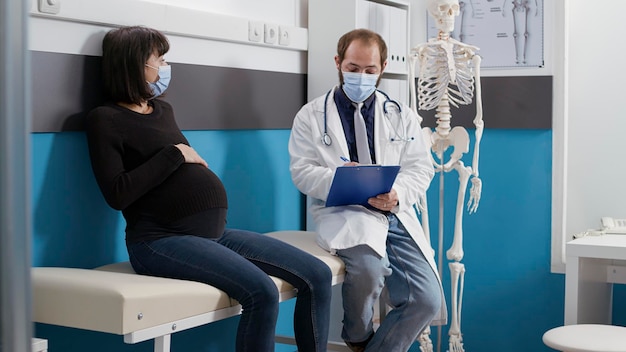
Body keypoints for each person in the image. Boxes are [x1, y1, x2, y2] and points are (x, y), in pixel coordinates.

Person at [85, 25, 332, 352]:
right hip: (159, 240)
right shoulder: (105, 119)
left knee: (317, 275)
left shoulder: (163, 111)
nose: (164, 67)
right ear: (132, 65)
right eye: (158, 59)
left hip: (211, 233)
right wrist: (174, 154)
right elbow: (117, 193)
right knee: (262, 292)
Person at [288, 29, 446, 352]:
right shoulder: (311, 116)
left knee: (428, 299)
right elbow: (301, 172)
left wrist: (398, 193)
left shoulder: (401, 116)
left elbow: (421, 168)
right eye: (353, 68)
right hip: (345, 212)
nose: (361, 76)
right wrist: (336, 177)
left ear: (383, 68)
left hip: (393, 214)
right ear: (338, 62)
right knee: (369, 271)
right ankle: (357, 338)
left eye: (370, 70)